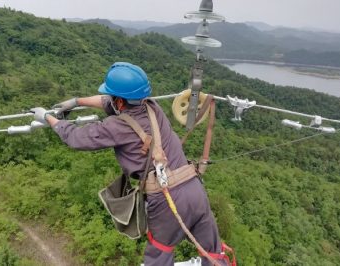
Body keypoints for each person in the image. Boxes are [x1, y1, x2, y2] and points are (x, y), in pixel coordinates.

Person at [31, 62, 226, 266]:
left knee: (159, 255)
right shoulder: (152, 107)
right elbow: (110, 102)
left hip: (168, 198)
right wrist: (77, 101)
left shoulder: (116, 126)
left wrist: (48, 118)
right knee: (213, 254)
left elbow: (76, 137)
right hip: (194, 189)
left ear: (121, 102)